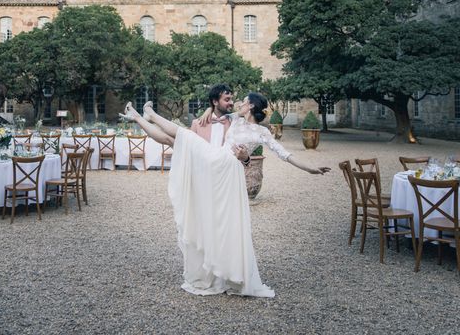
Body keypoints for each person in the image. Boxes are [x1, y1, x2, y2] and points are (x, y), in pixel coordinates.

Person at [119, 93, 330, 297]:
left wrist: (310, 168)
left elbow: (285, 155)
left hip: (229, 172)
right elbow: (216, 110)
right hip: (217, 160)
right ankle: (144, 115)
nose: (239, 103)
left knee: (225, 221)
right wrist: (207, 110)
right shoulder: (234, 118)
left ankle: (147, 114)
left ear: (252, 107)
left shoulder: (262, 132)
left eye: (244, 102)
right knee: (181, 137)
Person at [190, 83, 250, 166]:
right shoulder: (197, 124)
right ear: (215, 102)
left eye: (231, 99)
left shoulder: (236, 124)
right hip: (203, 174)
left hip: (226, 175)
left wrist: (246, 159)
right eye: (227, 100)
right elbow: (189, 154)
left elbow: (244, 160)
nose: (232, 103)